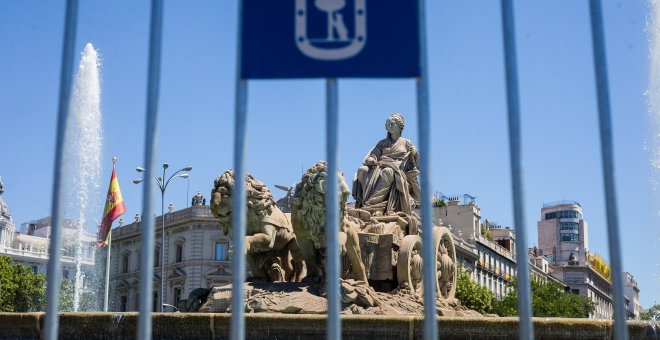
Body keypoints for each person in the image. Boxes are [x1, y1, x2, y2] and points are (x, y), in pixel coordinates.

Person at [352, 113, 421, 216]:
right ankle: (362, 203)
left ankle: (372, 205)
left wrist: (415, 153)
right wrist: (371, 159)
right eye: (388, 123)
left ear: (399, 126)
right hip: (379, 166)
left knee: (387, 172)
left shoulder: (406, 142)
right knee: (361, 170)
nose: (390, 125)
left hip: (397, 169)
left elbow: (417, 163)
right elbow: (373, 154)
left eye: (392, 123)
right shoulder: (382, 143)